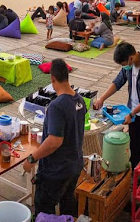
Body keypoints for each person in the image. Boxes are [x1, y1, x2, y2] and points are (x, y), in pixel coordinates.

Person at [22, 59, 85, 217]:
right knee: (67, 202)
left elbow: (55, 141)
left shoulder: (57, 105)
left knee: (44, 209)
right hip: (75, 165)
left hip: (57, 170)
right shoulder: (80, 100)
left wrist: (31, 159)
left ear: (52, 78)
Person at [94, 43, 140, 168]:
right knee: (133, 146)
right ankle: (134, 173)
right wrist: (102, 98)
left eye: (123, 64)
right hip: (132, 113)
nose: (123, 67)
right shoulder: (129, 67)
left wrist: (131, 114)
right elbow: (118, 82)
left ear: (131, 58)